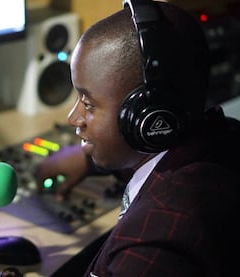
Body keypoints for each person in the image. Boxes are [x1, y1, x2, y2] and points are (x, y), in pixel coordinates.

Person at [35, 0, 240, 276]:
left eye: (89, 103)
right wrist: (89, 161)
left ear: (146, 118)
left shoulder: (153, 246)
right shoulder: (222, 137)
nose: (73, 117)